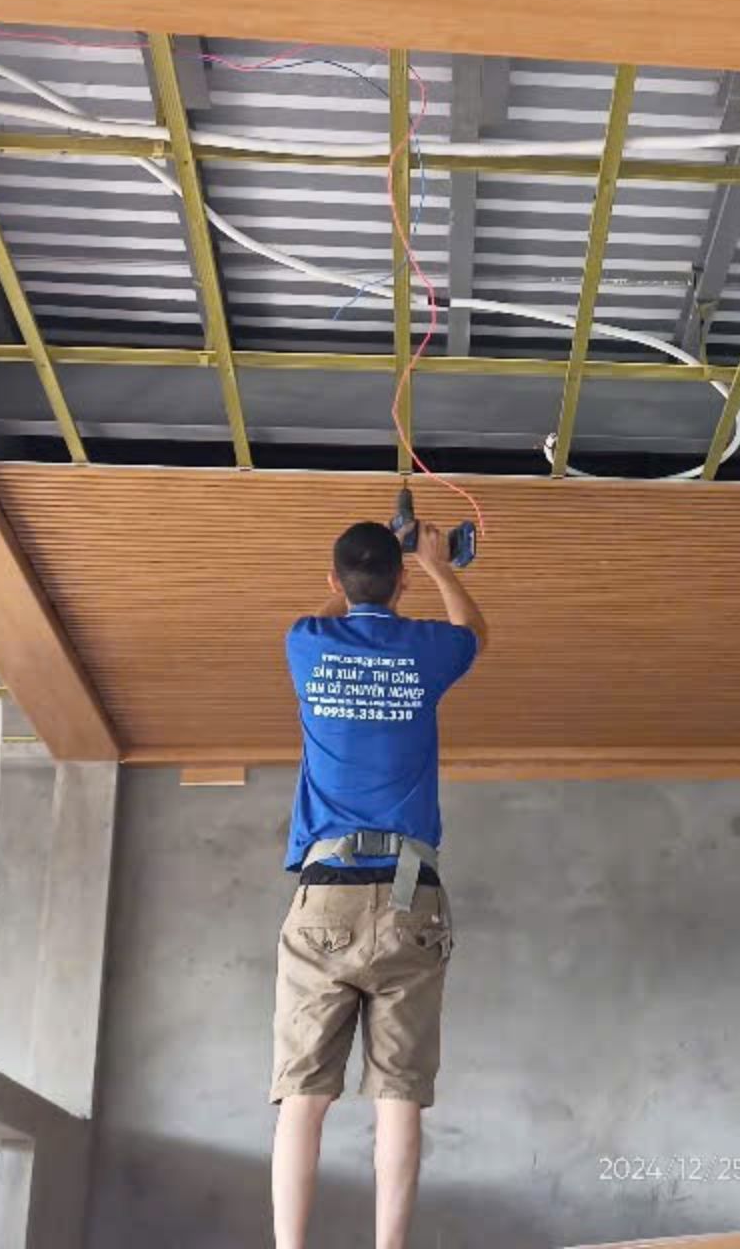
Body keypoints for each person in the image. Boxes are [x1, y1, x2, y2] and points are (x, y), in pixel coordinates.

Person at [273, 517, 490, 1249]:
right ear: (400, 583)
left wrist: (362, 584)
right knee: (399, 1097)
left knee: (303, 1096)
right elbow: (474, 631)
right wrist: (435, 564)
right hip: (410, 893)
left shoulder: (306, 642)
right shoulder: (427, 649)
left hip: (325, 892)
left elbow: (328, 611)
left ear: (334, 582)